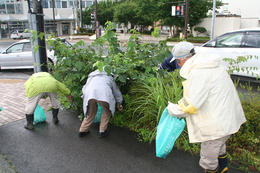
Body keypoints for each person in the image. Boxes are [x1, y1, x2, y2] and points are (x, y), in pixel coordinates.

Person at [167, 42, 246, 173]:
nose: (178, 65)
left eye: (177, 62)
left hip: (217, 124)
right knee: (219, 147)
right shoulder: (211, 65)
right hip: (228, 117)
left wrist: (172, 109)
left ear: (181, 60)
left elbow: (191, 105)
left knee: (208, 160)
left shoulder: (199, 72)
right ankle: (223, 169)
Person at [78, 69, 123, 138]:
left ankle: (82, 130)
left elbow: (85, 88)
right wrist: (119, 103)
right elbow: (116, 92)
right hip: (104, 94)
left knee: (90, 112)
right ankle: (102, 131)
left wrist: (85, 97)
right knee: (106, 111)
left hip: (90, 94)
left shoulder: (92, 77)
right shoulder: (109, 77)